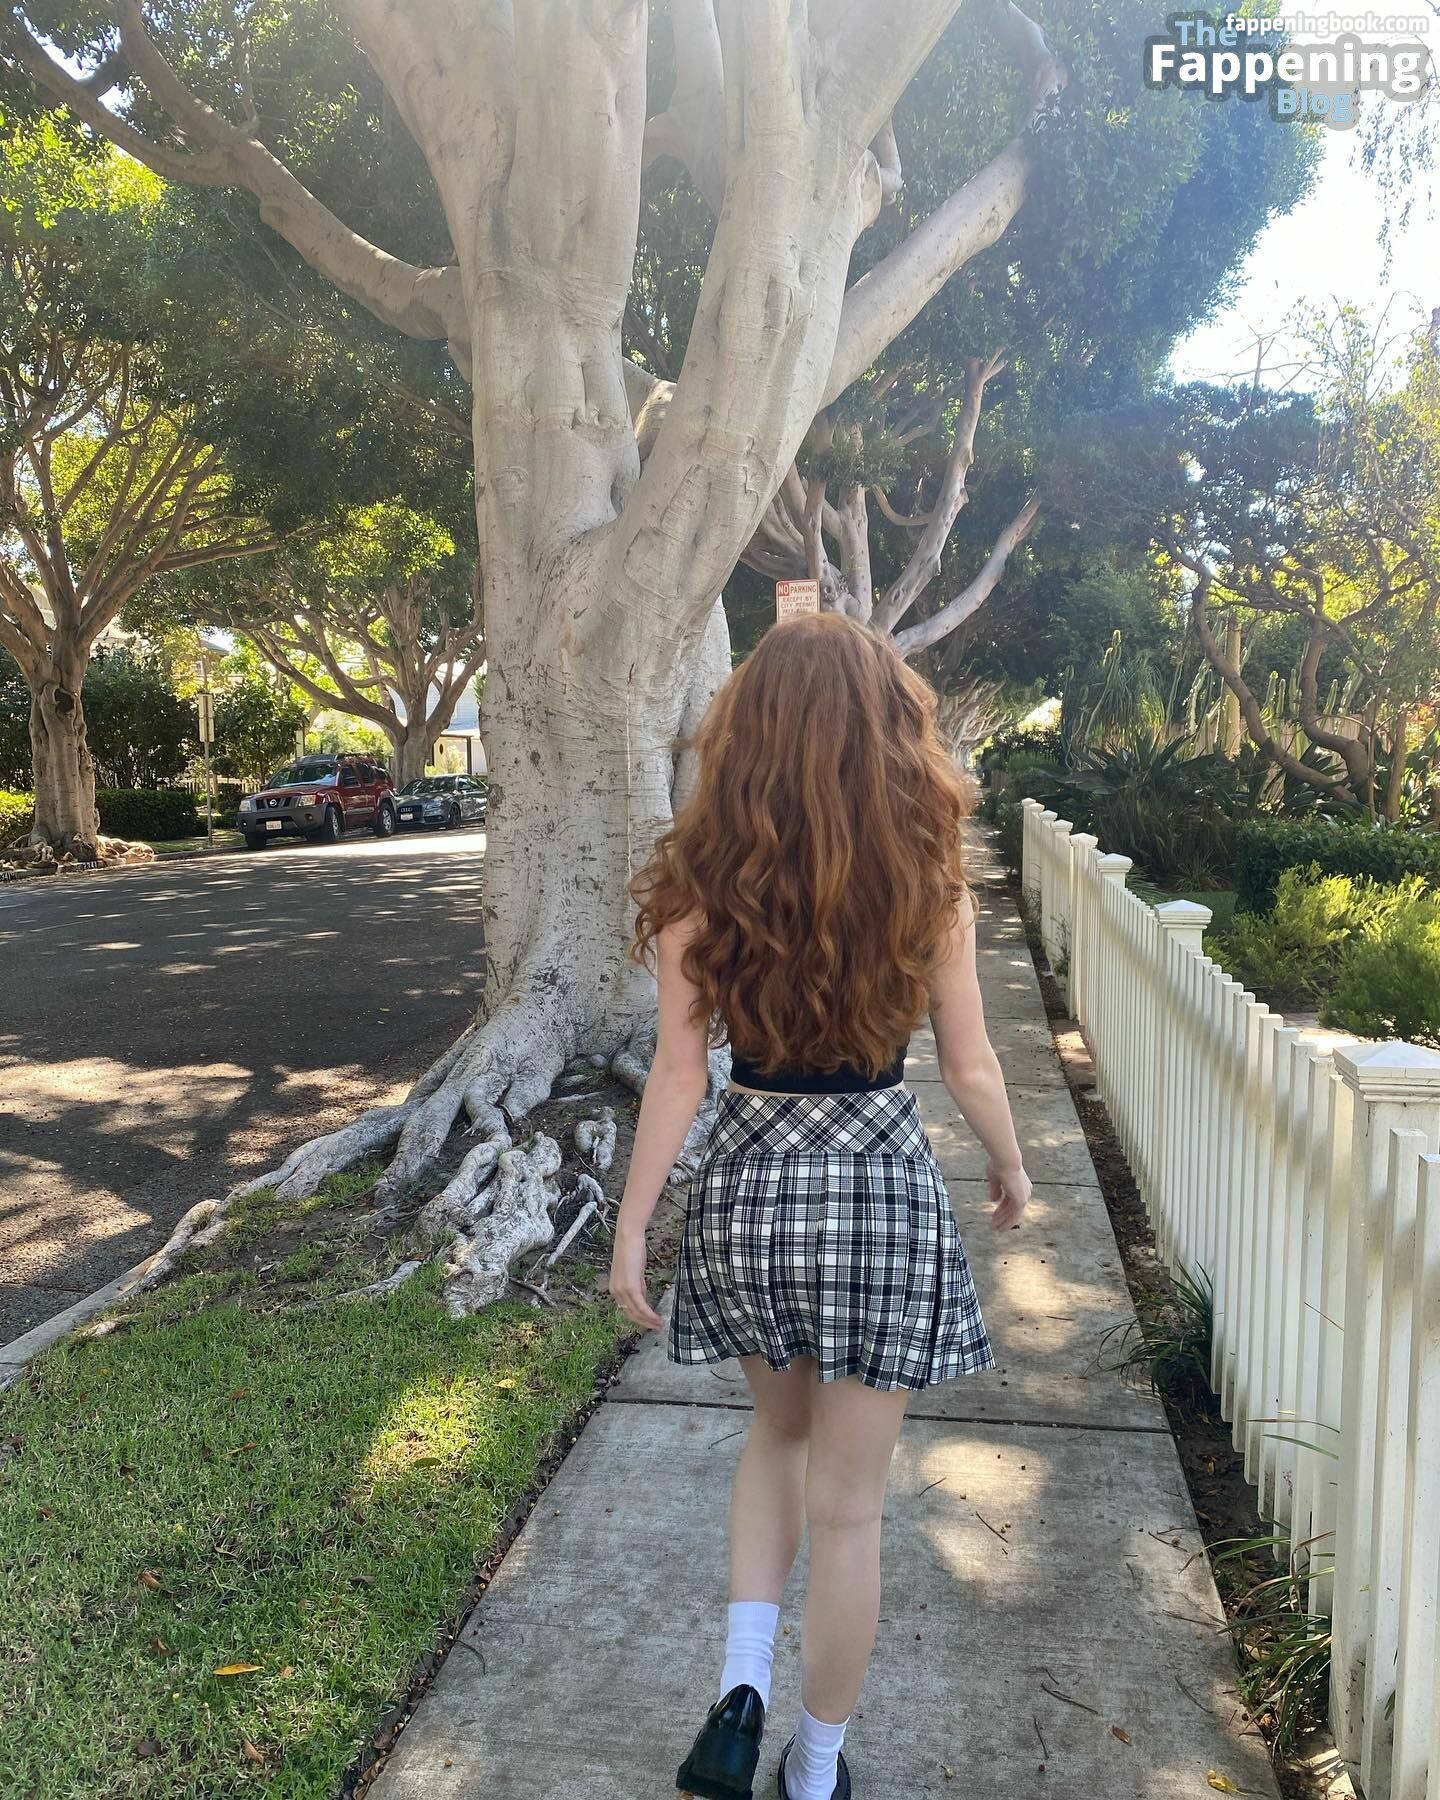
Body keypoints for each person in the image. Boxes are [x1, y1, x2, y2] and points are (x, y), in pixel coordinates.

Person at [608, 612, 1031, 1800]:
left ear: (745, 740)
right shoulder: (928, 885)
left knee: (775, 1440)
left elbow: (679, 1079)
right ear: (887, 735)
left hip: (752, 1189)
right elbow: (970, 1063)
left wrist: (634, 1227)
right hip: (880, 1195)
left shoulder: (701, 894)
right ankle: (815, 1771)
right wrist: (1009, 1162)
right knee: (850, 1514)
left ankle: (738, 1695)